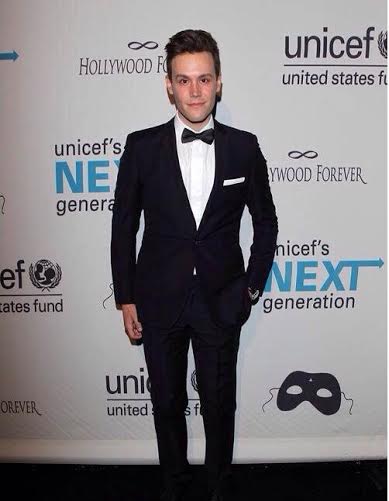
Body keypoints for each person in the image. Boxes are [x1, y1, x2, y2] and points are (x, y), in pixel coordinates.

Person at [111, 29, 278, 501]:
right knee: (166, 403)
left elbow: (266, 223)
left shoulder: (245, 147)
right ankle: (173, 485)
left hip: (222, 301)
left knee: (219, 405)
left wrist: (250, 288)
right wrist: (125, 296)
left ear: (219, 83)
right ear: (168, 85)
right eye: (184, 81)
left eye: (204, 79)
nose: (195, 91)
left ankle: (220, 487)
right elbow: (123, 226)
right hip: (158, 300)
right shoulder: (141, 147)